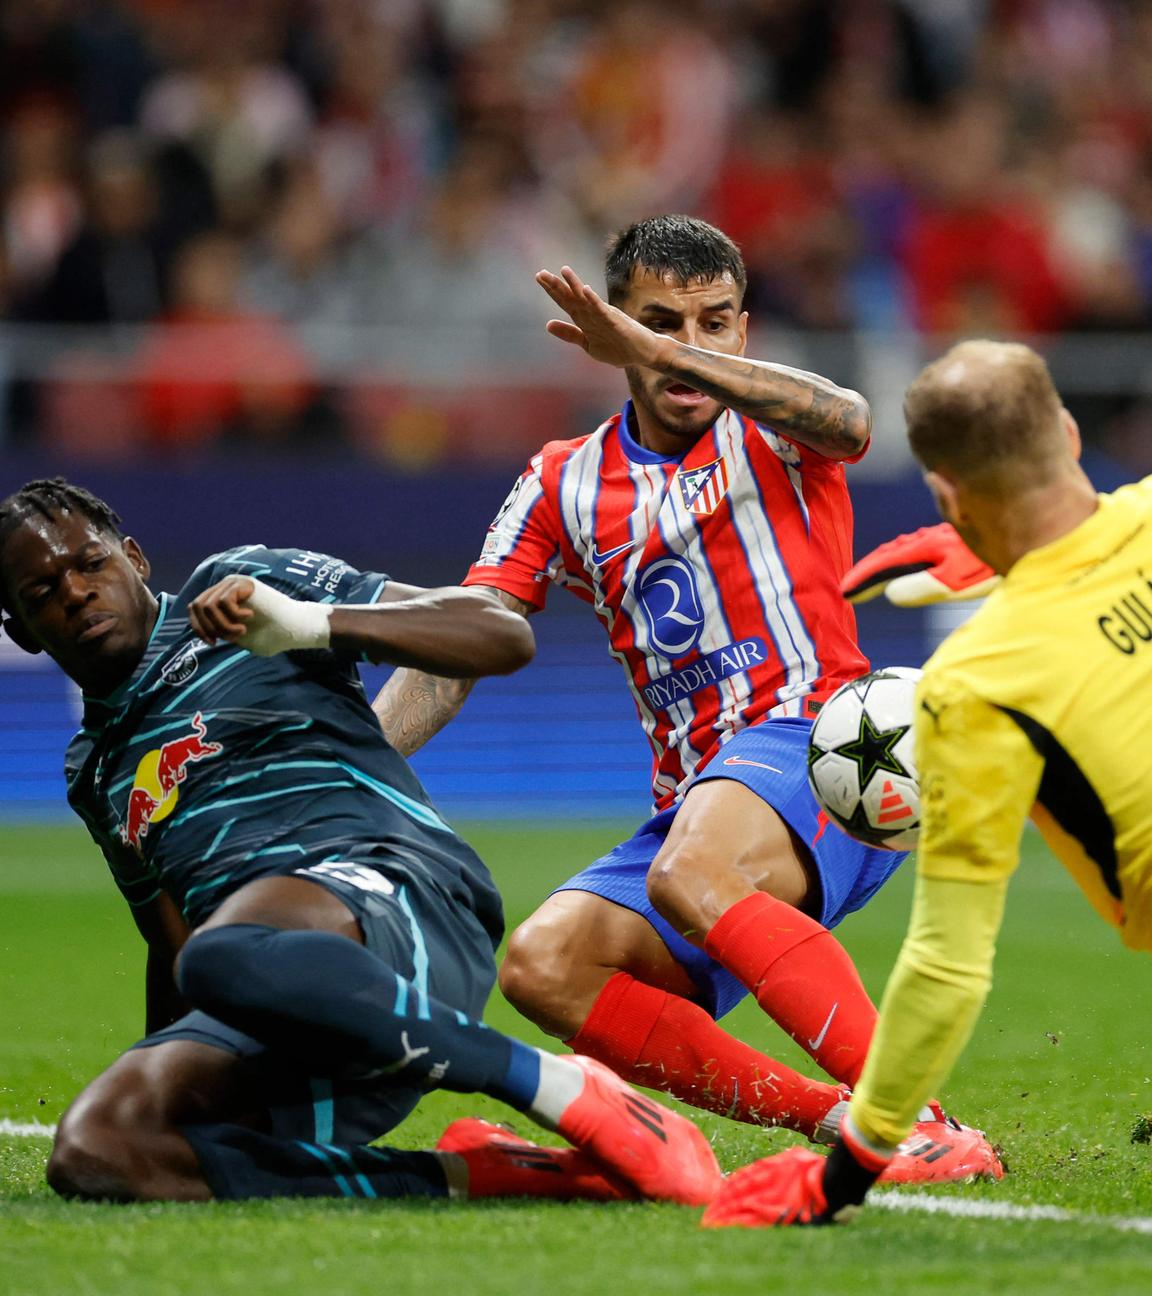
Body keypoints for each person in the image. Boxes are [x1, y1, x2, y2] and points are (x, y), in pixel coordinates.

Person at [373, 215, 1000, 1181]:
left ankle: (911, 1116)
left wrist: (674, 354)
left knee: (685, 872)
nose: (687, 346)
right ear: (611, 331)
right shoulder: (562, 481)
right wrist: (357, 756)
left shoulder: (776, 428)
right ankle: (837, 1121)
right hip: (695, 806)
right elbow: (464, 640)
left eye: (714, 323)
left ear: (742, 331)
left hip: (825, 749)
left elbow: (853, 421)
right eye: (661, 323)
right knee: (544, 962)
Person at [0, 477, 721, 1206]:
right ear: (23, 630)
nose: (76, 593)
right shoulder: (92, 772)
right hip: (296, 1006)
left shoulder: (243, 588)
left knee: (225, 951)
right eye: (43, 590)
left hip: (401, 901)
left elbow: (501, 634)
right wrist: (165, 1076)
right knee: (101, 1147)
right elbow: (174, 948)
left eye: (90, 564)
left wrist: (312, 624)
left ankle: (558, 1085)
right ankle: (482, 1175)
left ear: (135, 558)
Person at [701, 338, 1152, 1227]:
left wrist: (840, 1178)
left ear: (945, 492)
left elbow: (948, 966)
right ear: (1066, 430)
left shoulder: (976, 682)